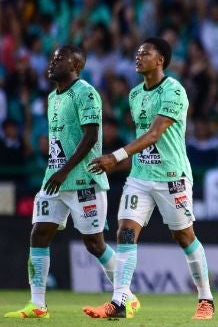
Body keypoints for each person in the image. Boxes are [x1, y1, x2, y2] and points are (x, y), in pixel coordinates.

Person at [82, 38, 214, 320]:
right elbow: (143, 142)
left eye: (146, 53)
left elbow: (154, 135)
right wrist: (117, 164)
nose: (138, 57)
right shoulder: (134, 94)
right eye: (137, 52)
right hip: (140, 177)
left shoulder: (174, 90)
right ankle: (120, 301)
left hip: (172, 177)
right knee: (125, 232)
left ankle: (206, 298)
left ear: (160, 60)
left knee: (183, 235)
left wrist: (115, 157)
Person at [4, 45, 139, 319]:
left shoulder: (87, 93)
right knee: (39, 233)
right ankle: (38, 305)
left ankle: (127, 296)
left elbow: (90, 136)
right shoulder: (53, 97)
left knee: (94, 244)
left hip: (83, 180)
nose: (53, 62)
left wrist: (64, 170)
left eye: (60, 59)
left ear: (76, 65)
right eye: (52, 58)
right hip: (54, 180)